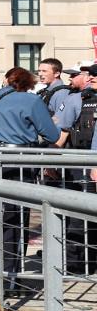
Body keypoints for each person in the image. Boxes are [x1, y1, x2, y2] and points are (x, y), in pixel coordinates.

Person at [0, 67, 60, 294]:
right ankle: (10, 273)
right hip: (20, 160)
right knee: (15, 216)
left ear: (6, 80)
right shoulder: (32, 101)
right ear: (29, 84)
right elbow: (52, 135)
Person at [52, 62, 97, 273]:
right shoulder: (77, 99)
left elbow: (61, 133)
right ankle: (77, 262)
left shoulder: (76, 99)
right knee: (79, 215)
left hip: (83, 163)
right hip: (81, 163)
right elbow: (63, 132)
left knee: (79, 214)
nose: (91, 78)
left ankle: (79, 264)